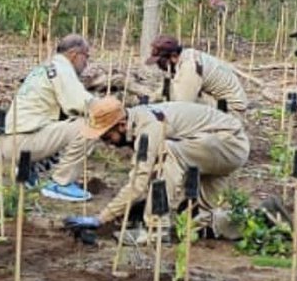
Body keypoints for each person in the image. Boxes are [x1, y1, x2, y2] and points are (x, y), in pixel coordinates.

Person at [68, 95, 250, 235]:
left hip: (228, 142)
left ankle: (156, 229)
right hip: (219, 144)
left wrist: (101, 219)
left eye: (107, 136)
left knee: (167, 152)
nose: (107, 143)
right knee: (194, 222)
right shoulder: (139, 117)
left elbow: (138, 183)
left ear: (122, 125)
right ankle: (249, 221)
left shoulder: (148, 128)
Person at [0, 34, 96, 202]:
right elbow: (81, 103)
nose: (86, 63)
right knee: (90, 124)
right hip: (25, 142)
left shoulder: (45, 67)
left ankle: (27, 170)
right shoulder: (62, 69)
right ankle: (61, 184)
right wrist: (109, 108)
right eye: (86, 56)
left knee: (63, 121)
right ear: (74, 54)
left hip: (12, 141)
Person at [146, 35, 247, 113]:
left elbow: (183, 104)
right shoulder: (185, 57)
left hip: (231, 111)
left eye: (161, 61)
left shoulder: (189, 67)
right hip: (221, 103)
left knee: (180, 100)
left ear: (173, 56)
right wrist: (150, 99)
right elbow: (170, 87)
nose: (159, 65)